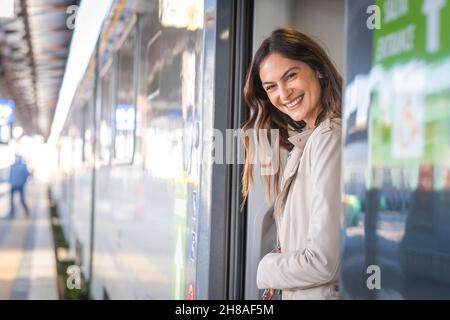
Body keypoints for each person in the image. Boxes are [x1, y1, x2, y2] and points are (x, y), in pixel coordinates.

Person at [242, 28, 342, 299]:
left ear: (317, 70)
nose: (284, 93)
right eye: (271, 87)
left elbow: (323, 262)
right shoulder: (307, 142)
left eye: (291, 76)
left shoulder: (328, 138)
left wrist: (266, 268)